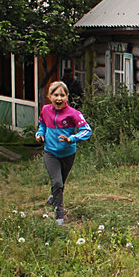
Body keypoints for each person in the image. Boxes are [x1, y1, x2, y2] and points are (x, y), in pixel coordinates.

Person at [36, 81, 92, 225]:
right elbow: (42, 124)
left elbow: (87, 130)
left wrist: (72, 138)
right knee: (57, 182)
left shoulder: (74, 114)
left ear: (67, 97)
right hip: (50, 153)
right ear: (49, 96)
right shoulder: (45, 110)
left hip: (68, 154)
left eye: (62, 95)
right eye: (56, 95)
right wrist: (40, 133)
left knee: (60, 183)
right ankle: (59, 215)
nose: (59, 98)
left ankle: (53, 197)